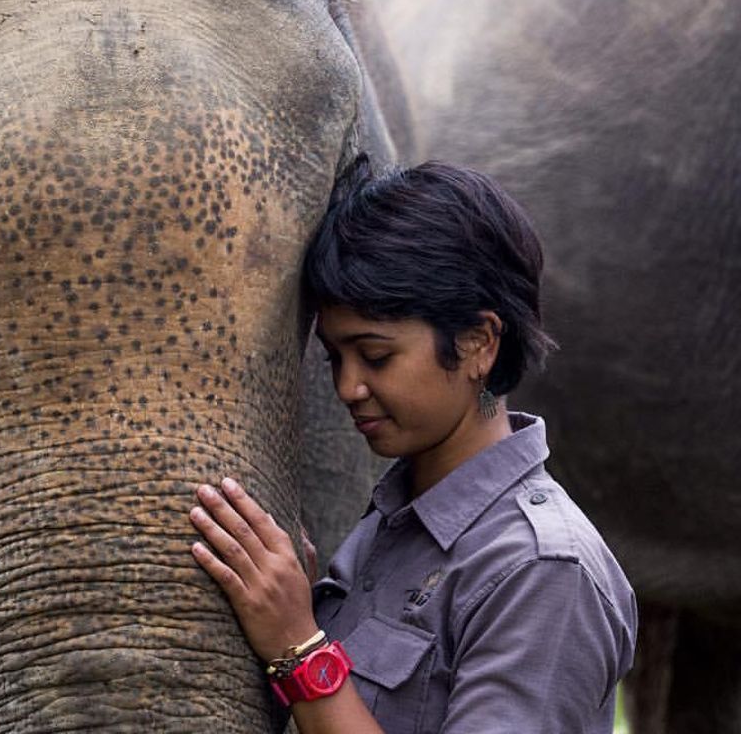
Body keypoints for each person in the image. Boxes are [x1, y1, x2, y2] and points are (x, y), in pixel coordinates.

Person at [189, 156, 637, 733]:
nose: (348, 387)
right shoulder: (393, 523)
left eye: (376, 356)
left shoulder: (544, 572)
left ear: (479, 342)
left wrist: (300, 649)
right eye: (335, 358)